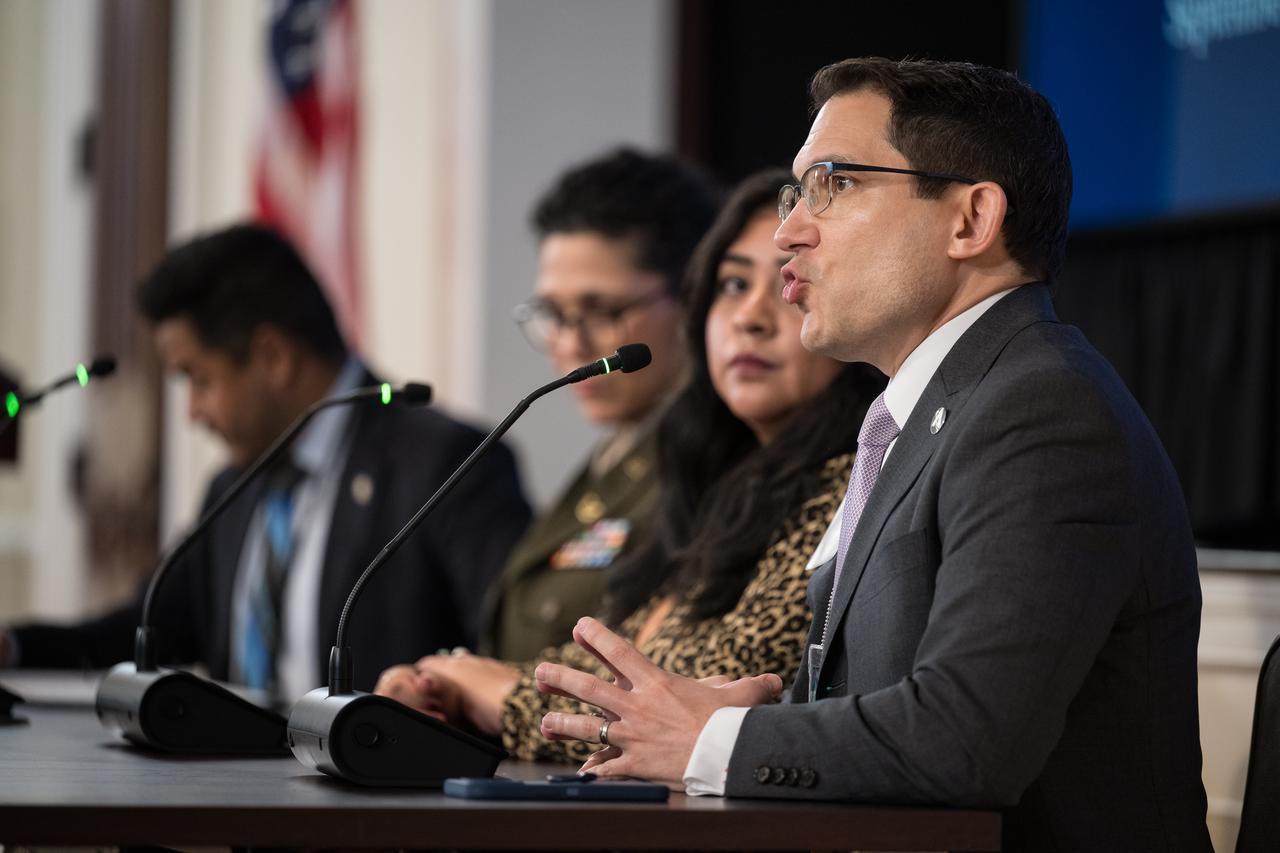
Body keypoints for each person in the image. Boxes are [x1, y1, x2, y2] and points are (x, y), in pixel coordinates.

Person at [534, 58, 1213, 851]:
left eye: (835, 183)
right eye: (797, 192)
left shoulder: (1043, 411)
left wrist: (715, 738)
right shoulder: (924, 411)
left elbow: (965, 742)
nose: (790, 230)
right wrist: (760, 716)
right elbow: (889, 707)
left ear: (970, 220)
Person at [375, 170, 884, 762]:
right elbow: (621, 658)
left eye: (786, 284)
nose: (750, 317)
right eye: (733, 284)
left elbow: (703, 700)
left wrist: (500, 697)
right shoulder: (727, 486)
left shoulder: (853, 481)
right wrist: (452, 679)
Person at [0, 224, 532, 703]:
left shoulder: (449, 465)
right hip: (233, 797)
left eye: (198, 379)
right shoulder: (236, 483)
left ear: (273, 357)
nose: (192, 413)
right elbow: (153, 626)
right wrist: (14, 646)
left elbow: (516, 661)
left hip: (383, 805)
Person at [479, 148, 717, 661]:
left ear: (692, 298)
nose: (569, 344)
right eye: (552, 313)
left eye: (600, 310)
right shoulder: (617, 455)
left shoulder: (711, 461)